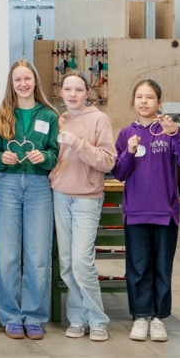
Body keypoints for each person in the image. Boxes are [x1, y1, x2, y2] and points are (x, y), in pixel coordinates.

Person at [112, 79, 180, 343]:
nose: (144, 101)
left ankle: (159, 318)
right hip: (135, 212)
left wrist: (176, 135)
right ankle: (140, 315)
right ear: (133, 102)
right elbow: (119, 172)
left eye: (150, 97)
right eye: (139, 97)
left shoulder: (168, 131)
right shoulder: (126, 133)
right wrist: (129, 152)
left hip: (164, 212)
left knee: (162, 266)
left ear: (160, 102)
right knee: (137, 267)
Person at [0, 60, 59, 340]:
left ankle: (34, 316)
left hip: (39, 186)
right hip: (7, 186)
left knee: (38, 255)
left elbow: (56, 153)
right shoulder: (2, 115)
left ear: (35, 81)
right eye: (17, 79)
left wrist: (46, 158)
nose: (23, 84)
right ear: (12, 83)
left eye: (27, 78)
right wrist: (0, 159)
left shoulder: (50, 115)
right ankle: (10, 315)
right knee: (6, 254)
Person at [50, 70, 117, 342]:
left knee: (81, 262)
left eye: (78, 90)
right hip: (60, 195)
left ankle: (98, 319)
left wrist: (78, 144)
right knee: (67, 263)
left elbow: (108, 161)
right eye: (68, 89)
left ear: (87, 93)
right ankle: (77, 318)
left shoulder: (99, 120)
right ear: (61, 92)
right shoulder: (59, 120)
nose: (72, 95)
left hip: (87, 198)